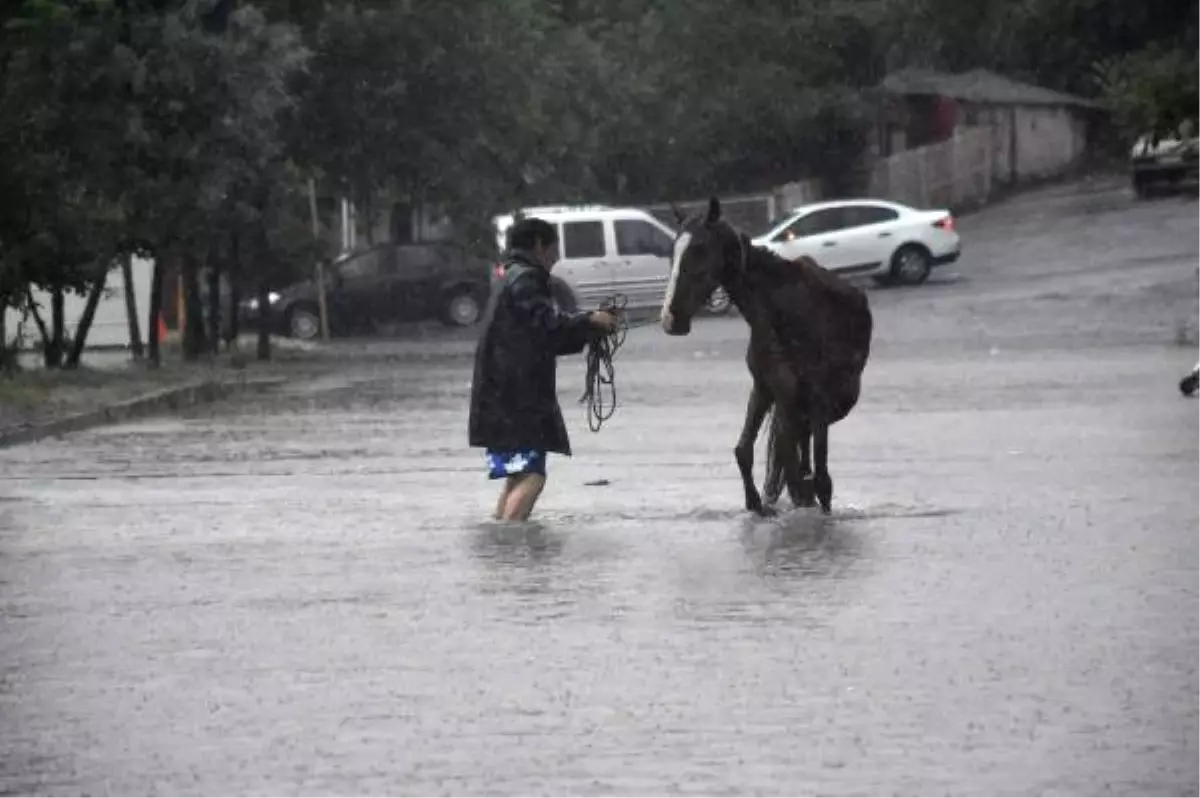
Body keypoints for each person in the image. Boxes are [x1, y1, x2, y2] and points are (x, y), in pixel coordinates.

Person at [468, 217, 618, 521]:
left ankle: (501, 546)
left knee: (518, 474)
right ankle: (512, 546)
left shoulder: (506, 274)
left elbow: (542, 335)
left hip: (499, 392)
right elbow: (546, 325)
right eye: (554, 249)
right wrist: (590, 321)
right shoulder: (527, 278)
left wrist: (588, 328)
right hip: (517, 396)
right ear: (539, 245)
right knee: (533, 476)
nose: (556, 258)